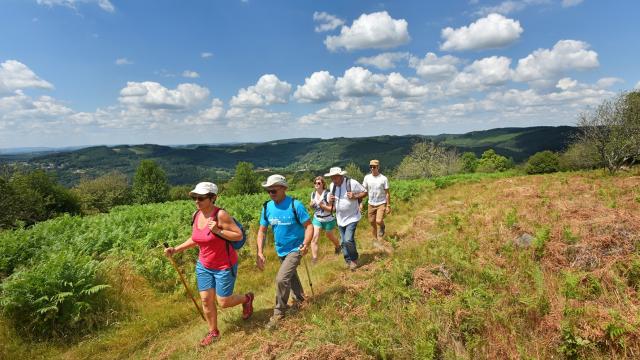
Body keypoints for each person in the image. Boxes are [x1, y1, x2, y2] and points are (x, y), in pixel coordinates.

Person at [164, 182, 254, 347]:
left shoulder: (220, 215)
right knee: (206, 300)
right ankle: (213, 332)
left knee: (224, 302)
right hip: (204, 265)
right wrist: (176, 249)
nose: (197, 201)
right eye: (194, 197)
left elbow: (238, 235)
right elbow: (196, 239)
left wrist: (218, 231)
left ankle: (247, 298)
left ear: (213, 198)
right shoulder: (196, 215)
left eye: (201, 197)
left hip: (224, 265)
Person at [256, 174, 313, 330]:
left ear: (283, 188)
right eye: (268, 190)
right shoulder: (267, 207)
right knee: (290, 276)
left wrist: (305, 243)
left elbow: (309, 226)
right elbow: (262, 231)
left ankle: (279, 312)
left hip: (296, 248)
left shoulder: (296, 205)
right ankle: (300, 299)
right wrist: (260, 252)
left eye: (273, 190)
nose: (271, 193)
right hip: (280, 249)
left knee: (281, 279)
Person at [325, 167, 367, 271]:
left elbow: (365, 192)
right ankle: (348, 261)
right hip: (340, 218)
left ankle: (354, 259)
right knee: (343, 242)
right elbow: (330, 201)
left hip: (352, 217)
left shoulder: (351, 183)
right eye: (332, 178)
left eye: (335, 177)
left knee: (348, 240)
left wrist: (355, 195)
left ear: (341, 176)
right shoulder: (332, 186)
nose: (334, 180)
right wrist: (329, 199)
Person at [308, 176, 341, 263]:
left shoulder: (328, 194)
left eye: (319, 183)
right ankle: (314, 258)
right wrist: (311, 205)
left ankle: (338, 246)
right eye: (315, 183)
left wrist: (323, 206)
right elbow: (312, 207)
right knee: (314, 238)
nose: (316, 184)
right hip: (317, 218)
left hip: (328, 219)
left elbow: (332, 209)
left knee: (330, 236)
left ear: (323, 184)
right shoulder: (313, 194)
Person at [362, 160, 391, 249]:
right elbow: (364, 191)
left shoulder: (383, 178)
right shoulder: (367, 178)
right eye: (371, 166)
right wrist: (361, 202)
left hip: (381, 203)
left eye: (374, 167)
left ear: (378, 167)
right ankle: (375, 240)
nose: (372, 168)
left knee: (378, 221)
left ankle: (382, 226)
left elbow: (387, 193)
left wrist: (388, 206)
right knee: (372, 223)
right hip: (371, 204)